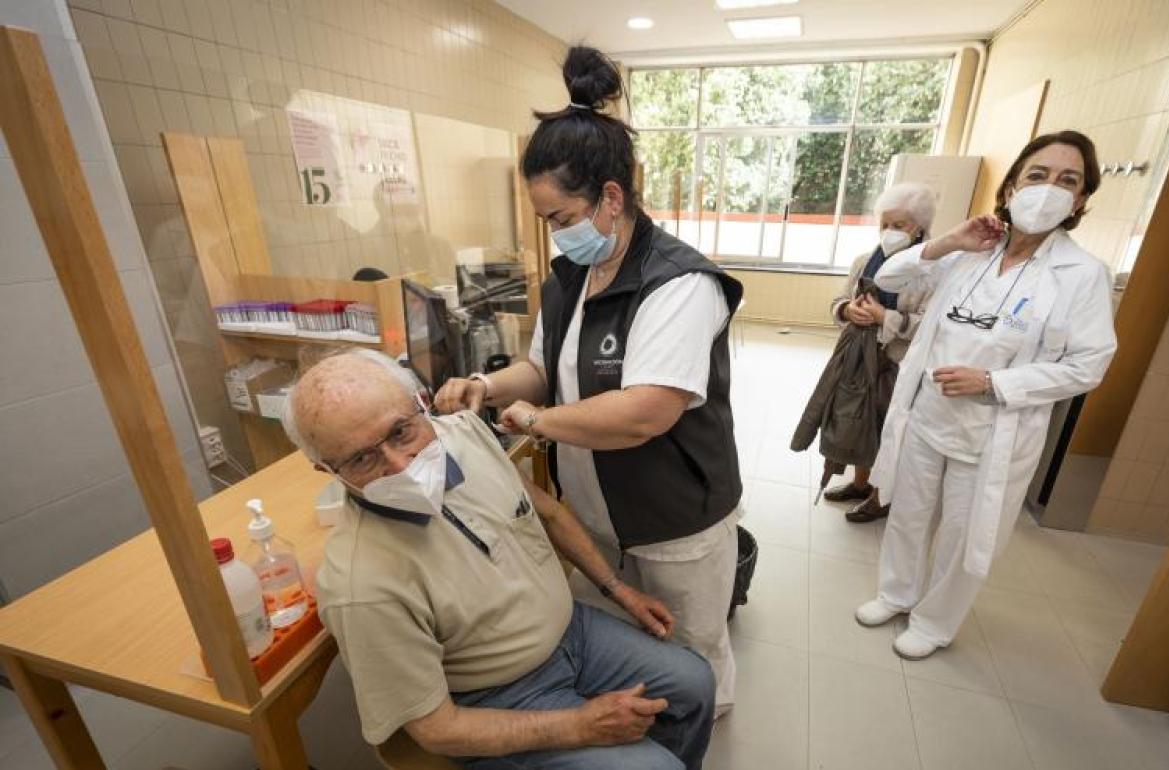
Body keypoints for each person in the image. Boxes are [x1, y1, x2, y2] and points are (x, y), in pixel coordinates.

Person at [434, 46, 744, 715]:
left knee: (692, 649)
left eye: (560, 219)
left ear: (611, 197)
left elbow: (644, 413)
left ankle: (700, 728)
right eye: (546, 220)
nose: (554, 235)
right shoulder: (572, 274)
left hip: (673, 516)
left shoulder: (679, 283)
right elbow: (543, 369)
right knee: (633, 640)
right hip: (598, 507)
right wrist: (490, 389)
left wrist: (536, 422)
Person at [282, 348, 716, 769]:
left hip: (573, 632)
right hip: (496, 695)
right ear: (328, 470)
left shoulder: (465, 434)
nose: (400, 466)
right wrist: (579, 727)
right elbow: (436, 730)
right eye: (362, 458)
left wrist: (618, 590)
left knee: (695, 682)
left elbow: (542, 509)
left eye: (401, 432)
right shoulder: (361, 586)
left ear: (421, 403)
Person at [854, 130, 1117, 660]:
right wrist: (950, 240)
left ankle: (933, 621)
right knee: (908, 510)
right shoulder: (974, 248)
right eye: (1037, 175)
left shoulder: (1082, 274)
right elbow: (892, 272)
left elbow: (1090, 364)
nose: (1049, 189)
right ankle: (896, 592)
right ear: (1014, 183)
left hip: (992, 431)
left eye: (1068, 180)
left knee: (962, 532)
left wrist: (993, 383)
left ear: (1083, 198)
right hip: (928, 414)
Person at [810, 182, 937, 522]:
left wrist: (886, 317)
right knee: (858, 421)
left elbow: (931, 326)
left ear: (920, 228)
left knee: (888, 429)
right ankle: (860, 483)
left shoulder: (933, 271)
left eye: (900, 226)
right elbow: (838, 301)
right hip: (859, 358)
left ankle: (880, 497)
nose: (890, 232)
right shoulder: (865, 262)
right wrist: (847, 311)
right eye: (885, 224)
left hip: (899, 365)